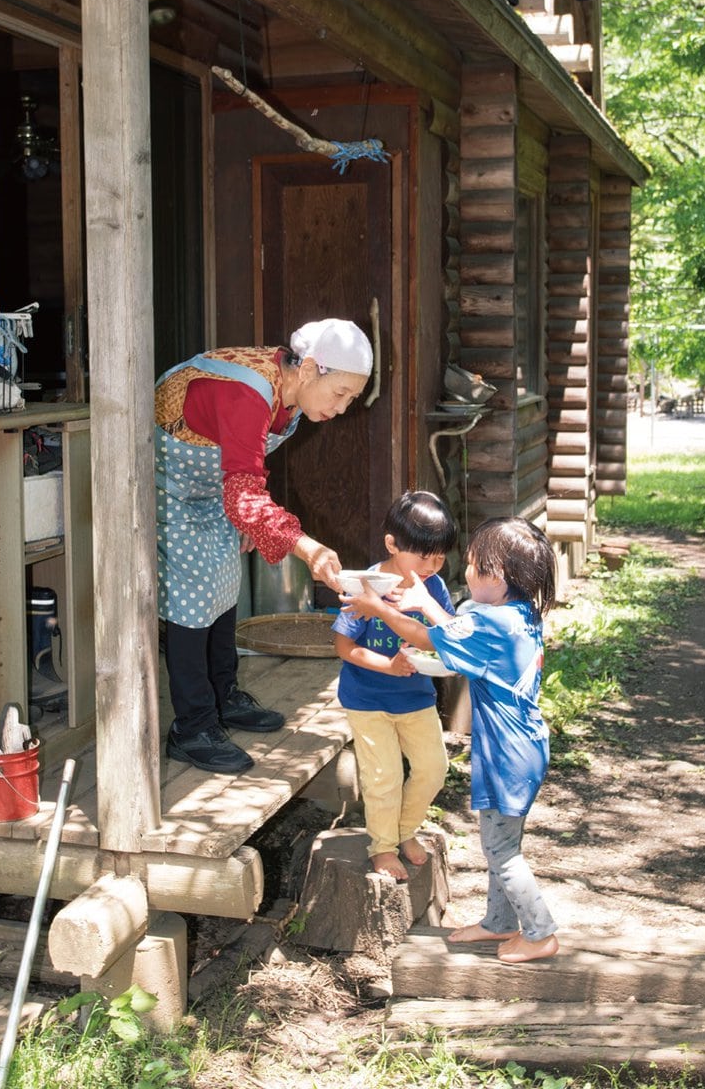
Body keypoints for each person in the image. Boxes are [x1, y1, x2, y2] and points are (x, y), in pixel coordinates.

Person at [155, 318, 373, 774]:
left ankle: (222, 696)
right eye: (340, 394)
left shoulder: (289, 393)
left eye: (351, 398)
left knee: (224, 582)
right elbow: (244, 495)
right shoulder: (247, 394)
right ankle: (192, 726)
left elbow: (242, 478)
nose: (343, 407)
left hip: (212, 486)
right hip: (165, 484)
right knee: (193, 598)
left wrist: (253, 524)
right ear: (310, 368)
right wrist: (306, 547)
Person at [342, 516, 559, 964]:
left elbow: (431, 638)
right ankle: (500, 923)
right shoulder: (515, 614)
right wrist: (424, 603)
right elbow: (454, 634)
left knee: (501, 852)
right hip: (520, 749)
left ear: (496, 576)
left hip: (508, 756)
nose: (464, 572)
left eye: (473, 565)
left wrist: (383, 608)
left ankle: (539, 933)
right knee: (501, 845)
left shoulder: (493, 624)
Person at [332, 491, 456, 881]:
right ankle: (382, 847)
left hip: (416, 697)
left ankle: (404, 832)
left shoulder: (432, 588)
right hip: (367, 699)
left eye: (440, 557)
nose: (433, 566)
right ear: (392, 544)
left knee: (433, 769)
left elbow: (447, 635)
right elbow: (343, 646)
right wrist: (389, 666)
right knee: (383, 775)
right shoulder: (367, 586)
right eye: (424, 556)